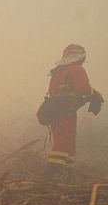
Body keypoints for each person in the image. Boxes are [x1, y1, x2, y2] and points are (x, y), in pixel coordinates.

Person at [41, 44, 103, 182]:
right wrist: (95, 95)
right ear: (80, 57)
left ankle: (67, 174)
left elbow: (53, 92)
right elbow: (84, 89)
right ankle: (52, 174)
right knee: (64, 141)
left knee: (65, 140)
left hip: (55, 110)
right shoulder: (76, 69)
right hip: (65, 111)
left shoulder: (57, 71)